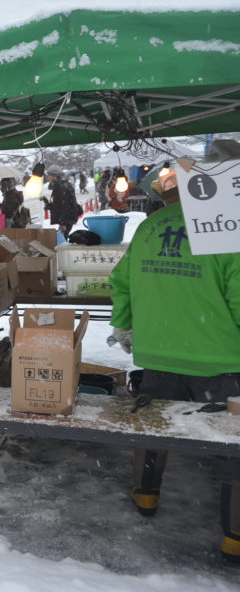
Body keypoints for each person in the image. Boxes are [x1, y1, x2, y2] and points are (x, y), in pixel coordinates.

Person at [108, 168, 240, 564]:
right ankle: (234, 534)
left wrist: (125, 324)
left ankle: (146, 494)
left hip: (158, 352)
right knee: (232, 448)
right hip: (220, 359)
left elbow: (122, 282)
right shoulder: (226, 230)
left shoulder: (149, 228)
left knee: (155, 429)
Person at [41, 167, 81, 238]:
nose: (48, 176)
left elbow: (66, 206)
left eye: (49, 174)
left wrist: (63, 223)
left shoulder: (62, 187)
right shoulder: (59, 185)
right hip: (65, 219)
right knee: (61, 239)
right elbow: (57, 205)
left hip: (67, 219)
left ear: (54, 176)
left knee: (62, 240)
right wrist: (46, 201)